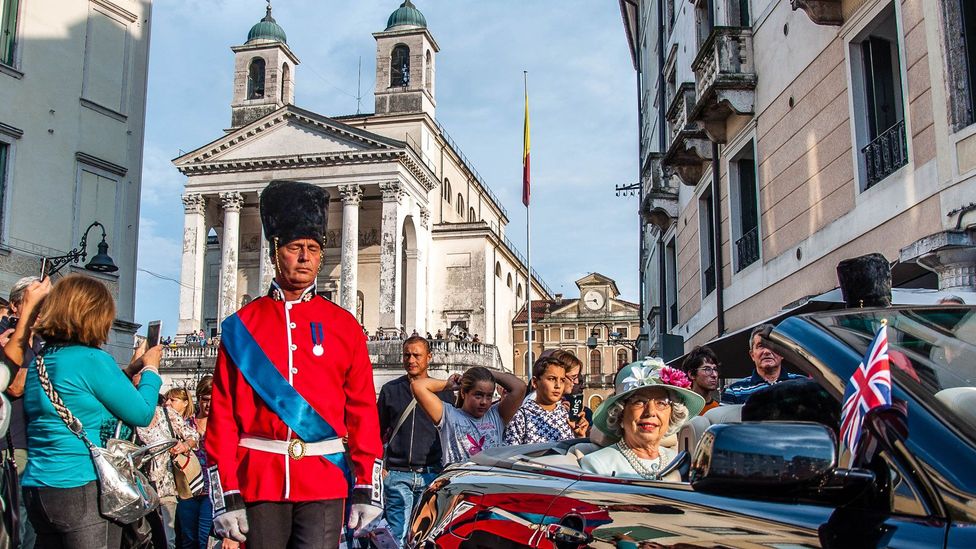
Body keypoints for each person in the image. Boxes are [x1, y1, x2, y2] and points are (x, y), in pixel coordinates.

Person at [206, 180, 383, 548]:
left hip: (323, 481)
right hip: (259, 481)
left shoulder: (344, 326)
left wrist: (367, 483)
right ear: (275, 252)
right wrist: (226, 493)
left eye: (314, 249)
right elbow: (222, 416)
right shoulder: (241, 328)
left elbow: (363, 410)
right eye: (294, 247)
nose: (305, 257)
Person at [22, 274, 163, 549]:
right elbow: (143, 413)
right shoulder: (93, 360)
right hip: (81, 487)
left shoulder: (41, 362)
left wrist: (129, 371)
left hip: (39, 488)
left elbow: (81, 395)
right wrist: (151, 369)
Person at [375, 336, 453, 545]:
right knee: (397, 538)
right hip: (397, 474)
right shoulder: (390, 390)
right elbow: (377, 431)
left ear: (429, 358)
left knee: (425, 539)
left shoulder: (445, 393)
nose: (411, 360)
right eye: (407, 355)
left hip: (431, 475)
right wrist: (379, 467)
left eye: (417, 355)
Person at [582, 359, 704, 480]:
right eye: (639, 402)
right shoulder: (597, 466)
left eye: (661, 403)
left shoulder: (681, 463)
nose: (650, 412)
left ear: (672, 414)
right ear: (620, 414)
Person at [1, 276, 47, 549]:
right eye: (36, 306)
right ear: (17, 306)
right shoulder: (7, 338)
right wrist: (46, 366)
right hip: (13, 446)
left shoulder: (39, 344)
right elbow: (14, 386)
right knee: (14, 524)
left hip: (38, 447)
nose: (42, 314)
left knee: (35, 524)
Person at [413, 367, 526, 466]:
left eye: (489, 396)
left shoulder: (497, 415)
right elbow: (418, 386)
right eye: (478, 395)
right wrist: (448, 385)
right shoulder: (448, 415)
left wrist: (484, 371)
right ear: (463, 393)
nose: (484, 402)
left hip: (490, 486)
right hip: (460, 487)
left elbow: (520, 387)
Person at [136, 388, 200, 549]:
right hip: (139, 487)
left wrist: (184, 446)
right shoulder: (130, 416)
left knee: (168, 538)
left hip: (166, 484)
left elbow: (193, 435)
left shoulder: (166, 414)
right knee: (143, 538)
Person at [721, 324, 805, 404]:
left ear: (782, 352)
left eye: (771, 344)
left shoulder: (803, 385)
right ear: (752, 355)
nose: (767, 351)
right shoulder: (735, 391)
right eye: (761, 345)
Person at [177, 376, 215, 549]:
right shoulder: (186, 424)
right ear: (198, 398)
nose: (208, 404)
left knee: (204, 538)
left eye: (212, 400)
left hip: (211, 490)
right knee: (188, 539)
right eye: (205, 400)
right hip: (188, 489)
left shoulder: (220, 425)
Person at [504, 357, 575, 445]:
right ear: (535, 382)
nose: (558, 385)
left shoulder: (565, 414)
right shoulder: (522, 416)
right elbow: (511, 453)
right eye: (552, 379)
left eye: (562, 380)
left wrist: (580, 436)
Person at [680, 346, 721, 414]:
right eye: (707, 369)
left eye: (715, 369)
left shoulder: (718, 408)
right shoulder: (680, 407)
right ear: (691, 374)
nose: (714, 375)